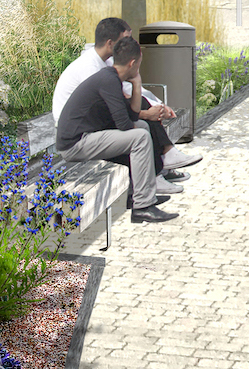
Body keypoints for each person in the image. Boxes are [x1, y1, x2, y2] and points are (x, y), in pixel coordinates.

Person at [51, 16, 201, 176]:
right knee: (140, 131)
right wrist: (147, 114)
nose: (130, 45)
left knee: (141, 110)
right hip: (81, 133)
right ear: (110, 43)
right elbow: (117, 111)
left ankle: (162, 164)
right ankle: (158, 171)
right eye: (125, 40)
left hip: (94, 122)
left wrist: (159, 106)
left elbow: (130, 93)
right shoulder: (90, 68)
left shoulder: (107, 62)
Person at [56, 33, 176, 223]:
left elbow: (131, 116)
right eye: (139, 64)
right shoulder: (108, 81)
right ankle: (143, 206)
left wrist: (137, 85)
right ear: (133, 63)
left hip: (87, 137)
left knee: (143, 126)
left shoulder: (111, 77)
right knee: (140, 137)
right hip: (76, 144)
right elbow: (124, 125)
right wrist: (133, 112)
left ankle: (138, 195)